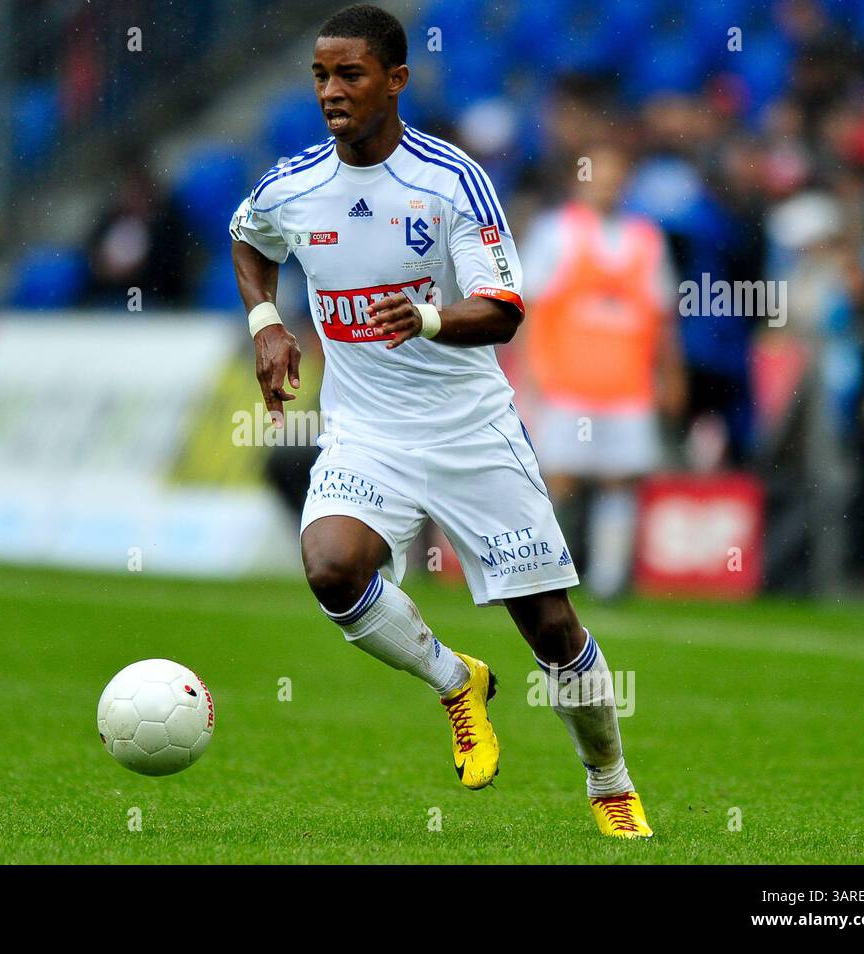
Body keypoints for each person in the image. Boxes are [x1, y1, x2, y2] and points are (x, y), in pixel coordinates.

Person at [228, 4, 652, 838]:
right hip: (366, 433)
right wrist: (266, 323)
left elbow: (503, 310)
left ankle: (610, 779)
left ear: (396, 80)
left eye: (350, 74)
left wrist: (423, 318)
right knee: (330, 569)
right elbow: (248, 238)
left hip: (469, 429)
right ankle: (457, 680)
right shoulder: (294, 183)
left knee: (553, 630)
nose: (331, 91)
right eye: (320, 75)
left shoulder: (448, 179)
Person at [520, 143, 686, 599]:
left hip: (626, 385)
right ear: (582, 180)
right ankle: (547, 575)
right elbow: (528, 308)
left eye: (617, 177)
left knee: (621, 478)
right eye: (601, 175)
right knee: (561, 479)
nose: (609, 185)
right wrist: (525, 375)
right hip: (566, 384)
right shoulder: (556, 232)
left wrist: (672, 375)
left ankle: (610, 580)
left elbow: (661, 316)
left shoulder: (646, 239)